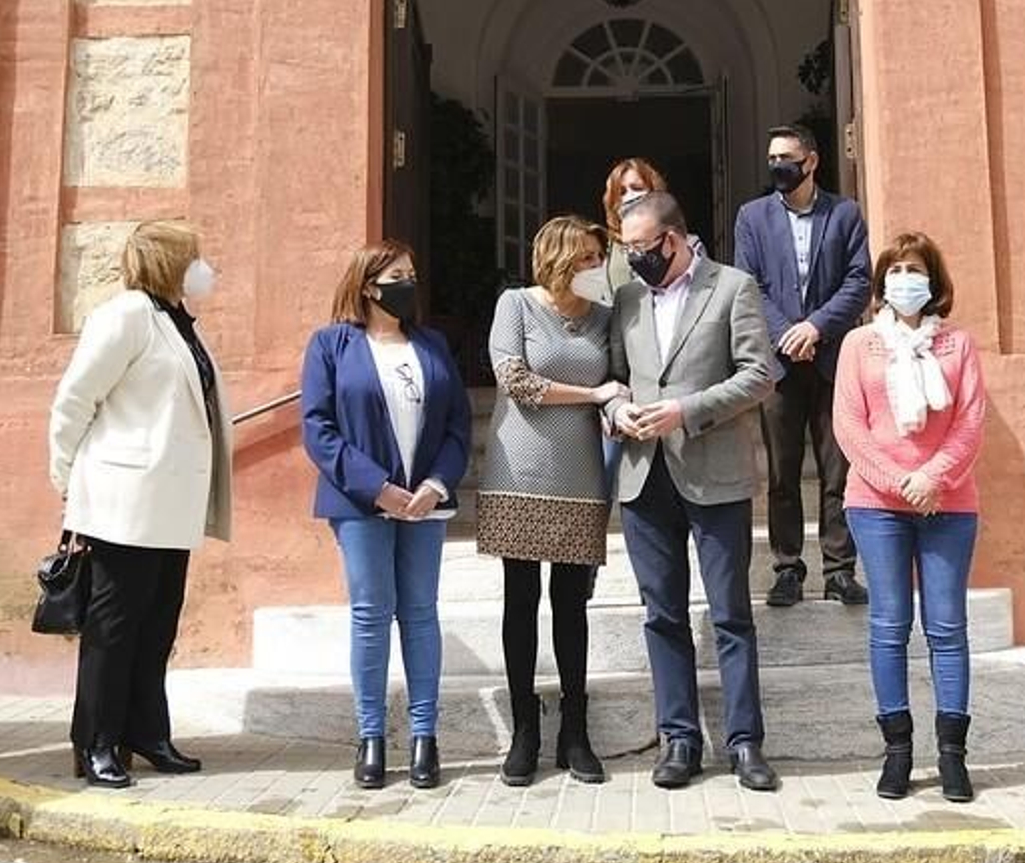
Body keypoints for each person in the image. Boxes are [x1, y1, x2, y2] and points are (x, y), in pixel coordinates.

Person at [49, 221, 233, 790]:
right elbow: (74, 400)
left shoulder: (175, 322)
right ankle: (96, 742)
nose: (206, 268)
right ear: (169, 262)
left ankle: (147, 734)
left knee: (156, 625)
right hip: (122, 500)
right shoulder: (126, 315)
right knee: (114, 627)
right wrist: (69, 484)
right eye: (195, 258)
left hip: (169, 504)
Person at [603, 192, 777, 791]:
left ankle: (745, 742)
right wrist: (618, 409)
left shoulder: (732, 287)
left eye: (644, 249)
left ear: (674, 239)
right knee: (662, 615)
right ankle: (678, 738)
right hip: (644, 474)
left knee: (730, 614)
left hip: (714, 472)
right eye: (628, 251)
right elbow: (615, 378)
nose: (635, 261)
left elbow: (760, 374)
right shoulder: (625, 299)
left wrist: (687, 410)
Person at [301, 240, 471, 790]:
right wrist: (377, 488)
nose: (410, 283)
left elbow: (457, 425)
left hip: (426, 501)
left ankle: (425, 736)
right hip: (360, 504)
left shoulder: (433, 344)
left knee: (420, 613)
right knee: (371, 615)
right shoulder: (331, 345)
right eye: (399, 274)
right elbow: (318, 428)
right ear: (369, 285)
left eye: (413, 274)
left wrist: (435, 483)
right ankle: (370, 736)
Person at [832, 232, 986, 803]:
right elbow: (849, 425)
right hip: (877, 505)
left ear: (933, 280)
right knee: (889, 627)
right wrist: (901, 481)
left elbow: (970, 423)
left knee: (947, 629)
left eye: (914, 269)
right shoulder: (858, 345)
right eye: (894, 270)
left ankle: (952, 756)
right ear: (880, 283)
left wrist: (933, 479)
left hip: (946, 503)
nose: (904, 280)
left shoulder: (957, 346)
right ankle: (897, 752)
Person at [479, 216, 622, 787]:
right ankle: (524, 728)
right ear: (560, 258)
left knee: (571, 602)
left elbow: (621, 379)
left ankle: (575, 728)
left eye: (598, 256)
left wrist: (615, 403)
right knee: (521, 599)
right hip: (520, 469)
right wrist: (593, 394)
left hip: (580, 471)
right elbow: (517, 381)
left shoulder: (605, 317)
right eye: (587, 257)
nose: (595, 267)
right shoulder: (515, 305)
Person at [734, 124, 872, 609]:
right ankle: (787, 567)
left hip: (833, 357)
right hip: (779, 363)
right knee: (782, 472)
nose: (777, 166)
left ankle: (839, 569)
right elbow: (749, 285)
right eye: (772, 157)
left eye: (786, 157)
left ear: (811, 161)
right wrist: (787, 335)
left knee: (839, 470)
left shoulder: (845, 214)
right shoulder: (752, 217)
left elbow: (859, 281)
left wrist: (815, 328)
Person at [599, 159, 668, 296]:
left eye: (637, 188)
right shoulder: (600, 247)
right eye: (622, 192)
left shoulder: (684, 244)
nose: (630, 196)